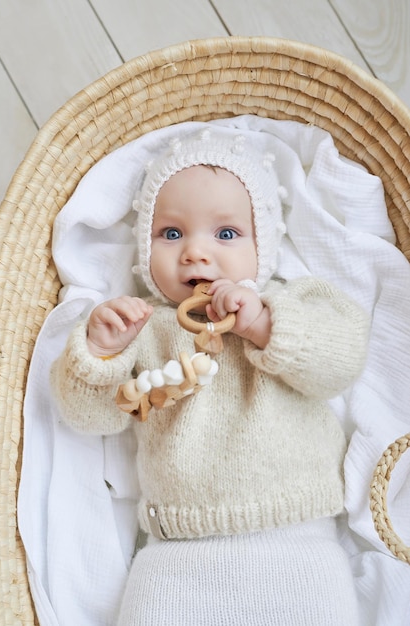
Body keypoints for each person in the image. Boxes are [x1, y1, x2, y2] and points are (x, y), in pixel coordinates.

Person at [50, 127, 370, 625]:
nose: (196, 253)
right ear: (143, 250)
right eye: (172, 234)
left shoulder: (289, 304)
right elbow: (90, 417)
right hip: (177, 552)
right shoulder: (144, 326)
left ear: (263, 244)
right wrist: (99, 353)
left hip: (298, 544)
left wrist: (264, 324)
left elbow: (342, 361)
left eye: (226, 234)